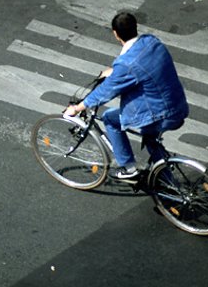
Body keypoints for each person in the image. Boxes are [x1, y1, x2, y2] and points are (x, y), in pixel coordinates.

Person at [64, 13, 189, 179]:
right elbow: (142, 66)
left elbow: (107, 91)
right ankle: (166, 178)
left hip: (160, 114)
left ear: (115, 33)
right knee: (150, 138)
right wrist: (114, 72)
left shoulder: (126, 64)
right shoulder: (151, 41)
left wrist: (77, 108)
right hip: (177, 104)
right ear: (136, 26)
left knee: (109, 118)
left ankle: (129, 168)